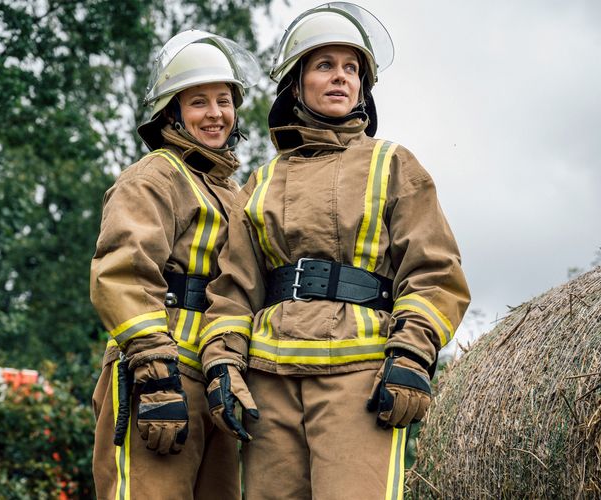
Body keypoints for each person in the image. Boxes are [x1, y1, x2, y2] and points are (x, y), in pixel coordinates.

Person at [197, 3, 471, 499]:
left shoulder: (394, 164)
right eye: (325, 65)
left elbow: (434, 274)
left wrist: (411, 355)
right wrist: (222, 365)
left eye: (352, 69)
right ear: (295, 83)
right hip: (269, 386)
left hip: (360, 382)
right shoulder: (260, 182)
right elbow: (234, 289)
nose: (341, 78)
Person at [89, 30, 260, 499]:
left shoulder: (234, 192)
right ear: (173, 112)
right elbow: (122, 273)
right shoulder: (155, 176)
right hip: (158, 380)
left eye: (224, 101)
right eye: (198, 101)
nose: (215, 114)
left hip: (214, 384)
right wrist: (156, 376)